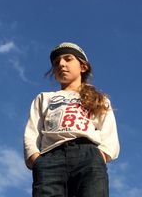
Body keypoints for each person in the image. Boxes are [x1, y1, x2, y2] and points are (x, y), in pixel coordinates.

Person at [24, 42, 120, 197]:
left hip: (88, 156)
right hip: (50, 159)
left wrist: (99, 157)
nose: (61, 64)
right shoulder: (44, 98)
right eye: (56, 63)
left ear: (83, 67)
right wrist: (37, 161)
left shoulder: (99, 99)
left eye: (68, 59)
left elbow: (109, 134)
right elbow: (32, 132)